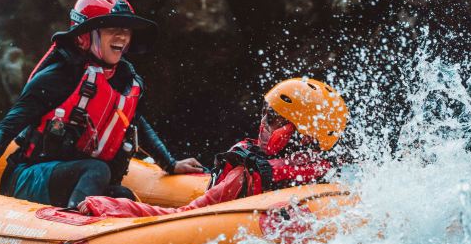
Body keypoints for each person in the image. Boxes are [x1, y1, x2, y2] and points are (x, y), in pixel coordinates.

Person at [0, 0, 203, 207]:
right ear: (85, 36)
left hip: (76, 178)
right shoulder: (56, 76)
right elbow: (7, 126)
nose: (122, 37)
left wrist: (170, 164)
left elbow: (135, 122)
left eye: (125, 30)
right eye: (111, 29)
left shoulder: (124, 79)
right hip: (28, 177)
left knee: (122, 195)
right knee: (97, 169)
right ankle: (71, 235)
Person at [77, 77, 349, 217]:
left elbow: (178, 218)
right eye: (265, 113)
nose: (263, 124)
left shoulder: (246, 176)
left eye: (274, 118)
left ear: (303, 137)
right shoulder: (327, 173)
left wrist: (106, 206)